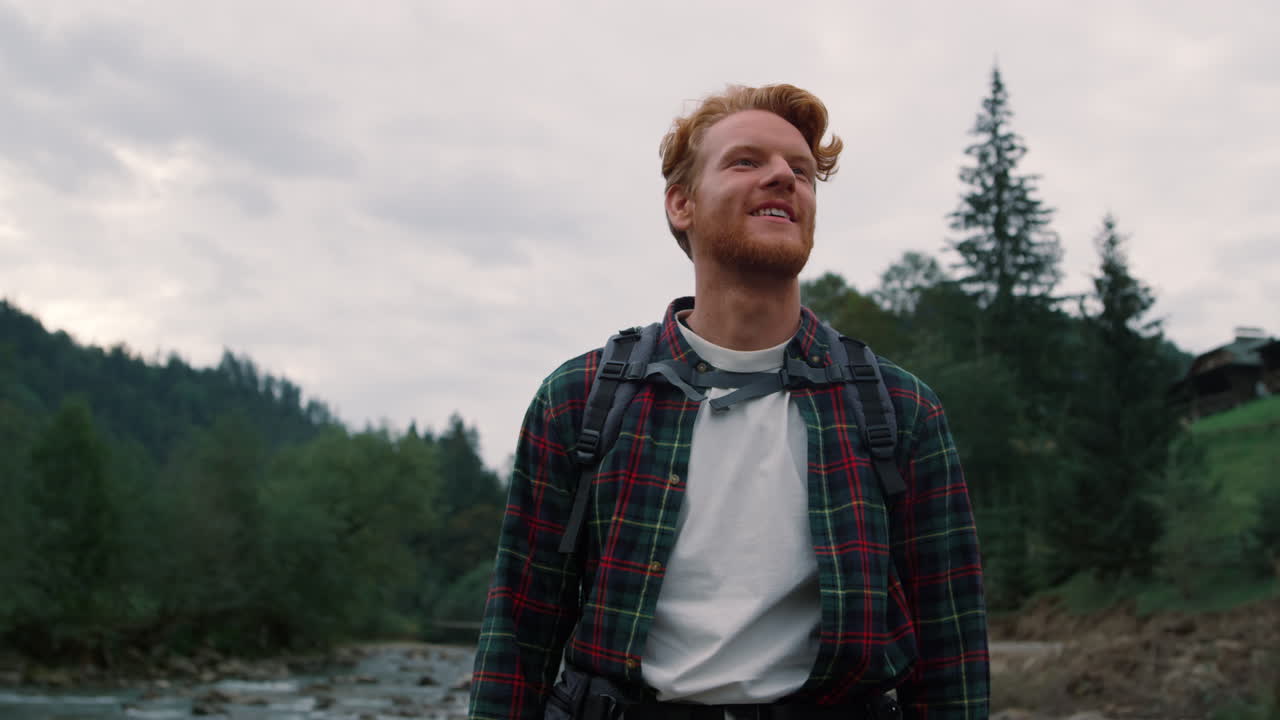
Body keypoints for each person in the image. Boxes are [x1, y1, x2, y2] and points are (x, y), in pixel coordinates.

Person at [469, 83, 988, 720]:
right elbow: (517, 637)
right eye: (747, 161)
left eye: (800, 171)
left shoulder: (900, 410)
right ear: (681, 204)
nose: (783, 177)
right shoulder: (581, 399)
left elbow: (951, 656)